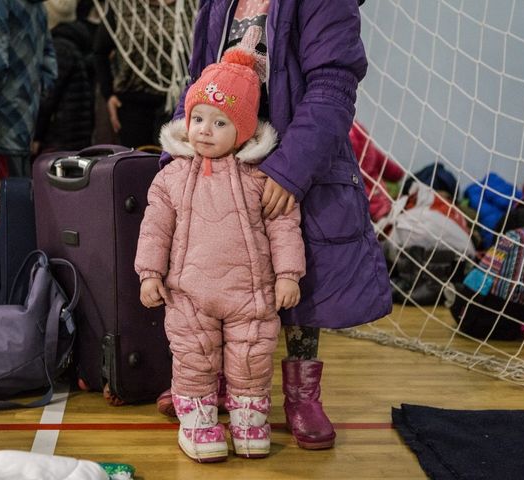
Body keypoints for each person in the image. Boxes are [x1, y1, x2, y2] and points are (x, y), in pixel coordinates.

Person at [155, 0, 392, 451]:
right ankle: (219, 380)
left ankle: (302, 396)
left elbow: (333, 86)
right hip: (225, 157)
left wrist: (291, 170)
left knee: (297, 274)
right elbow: (200, 81)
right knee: (219, 275)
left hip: (295, 157)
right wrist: (179, 150)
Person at [135, 29, 305, 463]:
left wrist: (288, 275)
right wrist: (149, 273)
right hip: (189, 293)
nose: (205, 131)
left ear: (244, 131)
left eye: (220, 122)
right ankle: (198, 424)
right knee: (193, 360)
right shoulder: (171, 176)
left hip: (251, 295)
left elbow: (284, 224)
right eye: (198, 119)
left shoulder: (260, 179)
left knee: (252, 359)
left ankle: (250, 424)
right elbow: (155, 227)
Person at [0, 0, 57, 283]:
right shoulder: (37, 8)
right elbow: (50, 69)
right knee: (15, 220)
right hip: (19, 126)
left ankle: (7, 307)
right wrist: (25, 103)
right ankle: (13, 302)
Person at [93, 0, 174, 148]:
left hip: (174, 101)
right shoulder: (123, 6)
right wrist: (108, 94)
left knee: (172, 164)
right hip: (131, 102)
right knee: (136, 164)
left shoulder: (188, 6)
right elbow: (100, 51)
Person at [33, 0, 95, 153]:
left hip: (60, 139)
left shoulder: (59, 48)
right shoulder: (78, 42)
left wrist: (36, 135)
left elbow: (48, 97)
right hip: (76, 136)